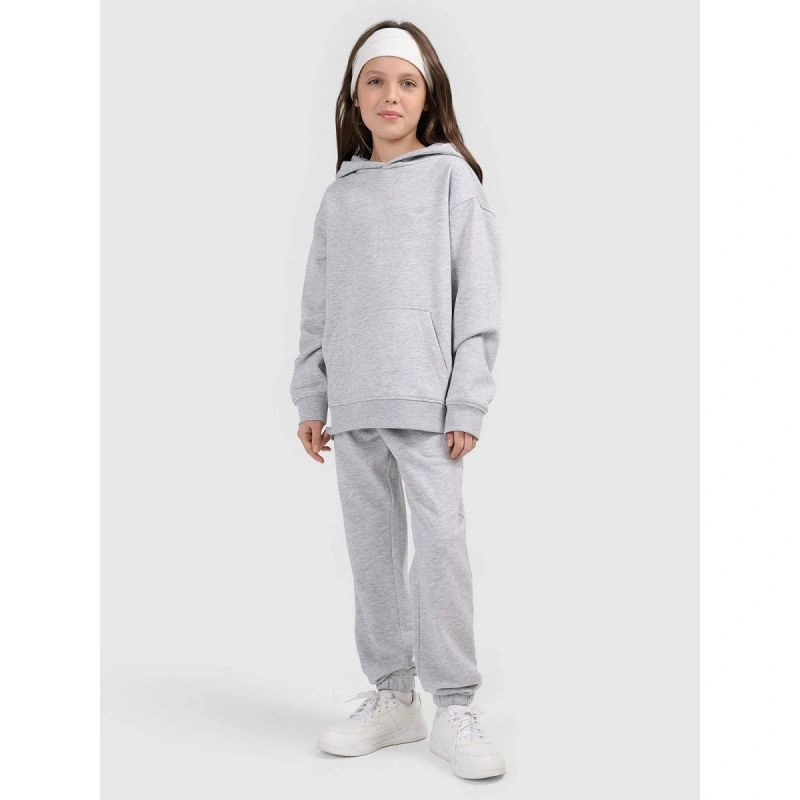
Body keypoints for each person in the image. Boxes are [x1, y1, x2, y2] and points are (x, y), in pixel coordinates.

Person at [289, 20, 505, 780]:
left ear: (428, 96)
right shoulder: (340, 197)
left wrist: (467, 401)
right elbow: (317, 305)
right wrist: (312, 395)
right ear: (354, 98)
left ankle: (455, 704)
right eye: (375, 82)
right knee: (373, 556)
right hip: (354, 406)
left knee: (440, 551)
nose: (391, 95)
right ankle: (393, 695)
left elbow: (477, 299)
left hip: (427, 404)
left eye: (406, 82)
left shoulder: (452, 182)